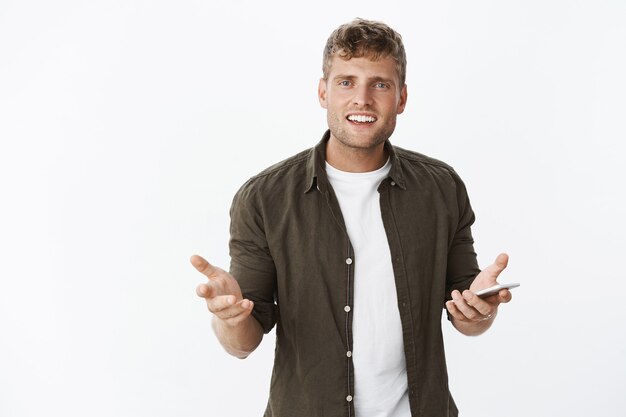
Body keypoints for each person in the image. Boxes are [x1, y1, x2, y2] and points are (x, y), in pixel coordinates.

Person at [191, 18, 513, 417]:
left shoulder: (441, 188)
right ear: (323, 92)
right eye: (346, 82)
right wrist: (228, 316)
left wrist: (481, 311)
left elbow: (467, 318)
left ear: (402, 98)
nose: (362, 99)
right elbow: (243, 342)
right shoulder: (264, 199)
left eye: (380, 84)